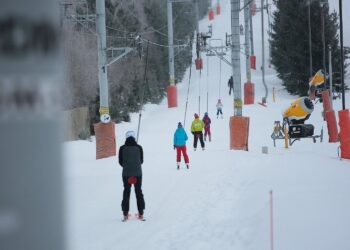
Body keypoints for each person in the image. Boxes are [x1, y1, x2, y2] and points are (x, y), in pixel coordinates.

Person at [118, 130, 145, 221]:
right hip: (138, 173)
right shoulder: (139, 147)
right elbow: (141, 161)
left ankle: (125, 214)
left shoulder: (122, 148)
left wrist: (126, 166)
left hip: (126, 173)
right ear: (134, 137)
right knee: (138, 192)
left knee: (126, 191)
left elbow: (120, 161)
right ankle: (141, 213)